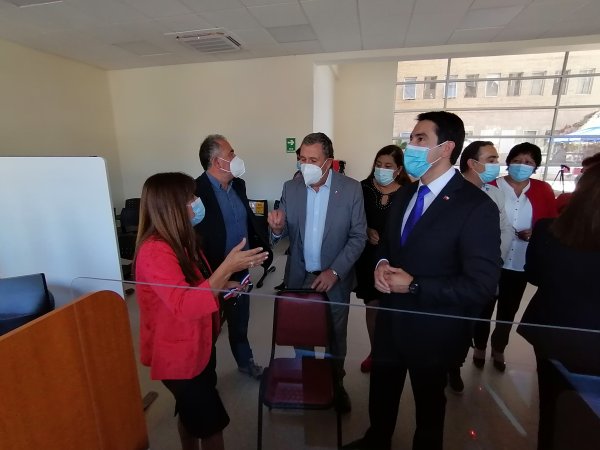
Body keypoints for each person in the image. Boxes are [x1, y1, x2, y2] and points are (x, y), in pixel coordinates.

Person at [344, 111, 500, 450]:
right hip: (390, 320)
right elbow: (389, 244)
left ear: (446, 148)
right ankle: (377, 439)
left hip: (434, 328)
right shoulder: (406, 194)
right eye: (411, 138)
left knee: (429, 405)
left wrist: (414, 285)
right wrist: (381, 263)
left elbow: (482, 285)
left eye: (419, 139)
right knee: (382, 391)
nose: (410, 146)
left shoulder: (476, 207)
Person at [134, 172, 269, 450]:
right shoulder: (154, 251)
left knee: (191, 415)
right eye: (191, 197)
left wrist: (225, 283)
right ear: (172, 206)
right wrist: (227, 268)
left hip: (199, 345)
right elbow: (184, 304)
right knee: (211, 426)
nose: (197, 201)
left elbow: (194, 285)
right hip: (179, 356)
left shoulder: (182, 240)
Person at [267, 132, 367, 413]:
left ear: (328, 161)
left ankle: (336, 383)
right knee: (302, 334)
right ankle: (308, 379)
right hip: (299, 277)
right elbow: (284, 233)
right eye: (302, 159)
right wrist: (277, 229)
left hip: (334, 278)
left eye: (313, 160)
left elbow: (358, 236)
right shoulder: (291, 187)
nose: (306, 165)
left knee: (335, 335)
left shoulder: (350, 189)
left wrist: (335, 271)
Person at [517, 163, 600, 450]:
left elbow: (534, 276)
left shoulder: (547, 231)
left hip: (554, 337)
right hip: (584, 341)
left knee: (553, 412)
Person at [474, 142, 557, 372]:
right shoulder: (491, 186)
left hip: (520, 262)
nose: (522, 165)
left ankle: (499, 347)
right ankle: (479, 346)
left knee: (508, 310)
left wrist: (536, 233)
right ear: (509, 162)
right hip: (491, 260)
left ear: (536, 167)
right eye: (517, 160)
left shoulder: (543, 190)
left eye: (528, 162)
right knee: (483, 307)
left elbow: (552, 224)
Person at [194, 134, 273, 379]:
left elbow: (246, 220)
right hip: (211, 270)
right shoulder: (196, 190)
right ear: (217, 162)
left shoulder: (238, 185)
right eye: (231, 153)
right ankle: (206, 377)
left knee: (240, 319)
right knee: (209, 325)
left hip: (240, 267)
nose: (236, 157)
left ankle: (245, 361)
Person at [445, 140, 513, 392]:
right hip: (453, 274)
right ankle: (445, 366)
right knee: (449, 323)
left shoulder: (495, 194)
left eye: (496, 159)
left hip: (483, 272)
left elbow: (505, 230)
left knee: (470, 323)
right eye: (491, 160)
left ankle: (456, 364)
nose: (497, 165)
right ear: (473, 163)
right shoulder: (450, 191)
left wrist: (491, 261)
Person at [354, 144, 410, 373]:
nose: (382, 169)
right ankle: (375, 352)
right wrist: (365, 230)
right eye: (378, 165)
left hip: (396, 260)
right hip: (368, 257)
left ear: (399, 169)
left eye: (388, 166)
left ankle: (394, 353)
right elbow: (352, 218)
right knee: (373, 306)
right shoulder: (362, 188)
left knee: (393, 309)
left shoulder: (408, 192)